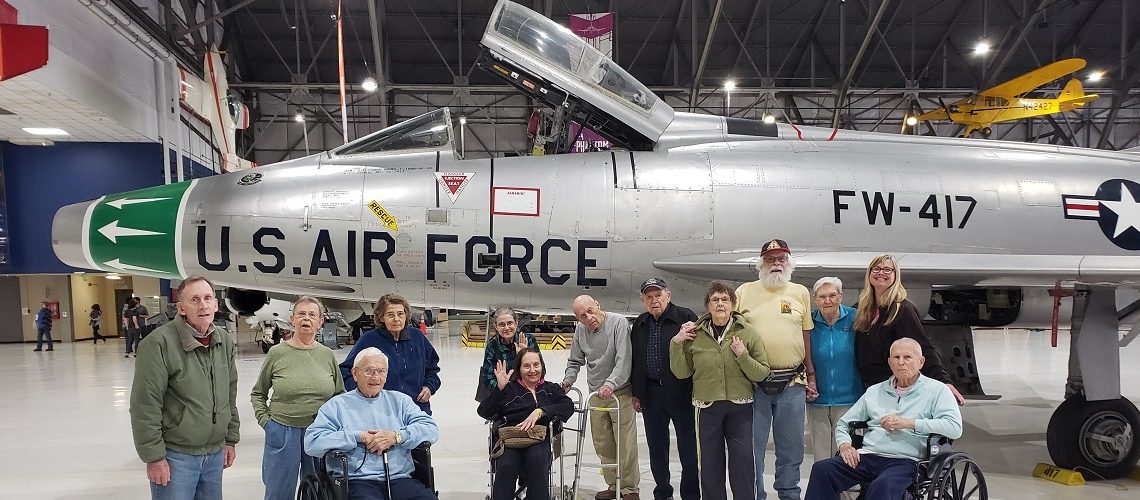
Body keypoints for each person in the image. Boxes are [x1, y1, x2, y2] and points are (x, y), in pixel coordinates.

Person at [804, 338, 963, 500]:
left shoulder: (937, 391)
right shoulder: (875, 391)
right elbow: (844, 423)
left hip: (907, 460)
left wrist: (909, 423)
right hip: (868, 455)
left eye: (907, 357)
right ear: (889, 362)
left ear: (921, 362)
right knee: (822, 470)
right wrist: (845, 446)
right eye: (896, 357)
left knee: (882, 486)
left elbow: (954, 427)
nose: (901, 362)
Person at [129, 277, 239, 499]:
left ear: (216, 304)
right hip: (176, 456)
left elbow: (229, 393)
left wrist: (230, 439)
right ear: (181, 308)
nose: (203, 305)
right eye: (195, 299)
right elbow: (145, 405)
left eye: (208, 298)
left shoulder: (223, 341)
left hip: (214, 453)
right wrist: (154, 457)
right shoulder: (158, 344)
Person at [670, 281, 771, 500]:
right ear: (707, 306)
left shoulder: (748, 333)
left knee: (743, 464)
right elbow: (681, 373)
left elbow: (761, 373)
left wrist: (742, 355)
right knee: (710, 465)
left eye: (725, 299)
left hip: (741, 408)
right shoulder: (694, 334)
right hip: (706, 408)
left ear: (733, 305)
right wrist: (676, 343)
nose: (720, 304)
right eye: (715, 300)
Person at [735, 238, 815, 500]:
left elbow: (806, 337)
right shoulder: (744, 292)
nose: (776, 264)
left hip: (792, 384)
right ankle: (755, 495)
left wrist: (811, 376)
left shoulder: (800, 292)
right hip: (753, 384)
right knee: (752, 448)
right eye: (771, 259)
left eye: (781, 259)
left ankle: (789, 494)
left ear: (789, 263)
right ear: (762, 264)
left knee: (791, 448)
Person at [305, 347, 439, 500]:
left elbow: (430, 428)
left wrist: (396, 436)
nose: (376, 377)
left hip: (399, 478)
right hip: (357, 481)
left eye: (381, 371)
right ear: (355, 374)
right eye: (369, 371)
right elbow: (312, 442)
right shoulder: (336, 406)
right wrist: (358, 436)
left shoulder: (400, 401)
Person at [251, 296, 345, 500]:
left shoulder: (327, 355)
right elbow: (258, 393)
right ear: (292, 319)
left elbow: (339, 394)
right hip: (283, 431)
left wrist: (334, 427)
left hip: (319, 432)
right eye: (301, 313)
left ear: (320, 322)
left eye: (312, 315)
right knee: (278, 491)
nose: (306, 318)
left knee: (318, 491)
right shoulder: (277, 353)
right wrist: (267, 423)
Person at [852, 255, 965, 406]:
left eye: (887, 269)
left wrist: (944, 381)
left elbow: (922, 348)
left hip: (895, 390)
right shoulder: (861, 309)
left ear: (895, 275)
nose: (881, 273)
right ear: (869, 273)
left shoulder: (903, 310)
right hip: (870, 389)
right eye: (877, 269)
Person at [562, 295, 639, 500]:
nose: (588, 317)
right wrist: (568, 380)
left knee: (625, 443)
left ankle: (629, 489)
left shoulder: (619, 323)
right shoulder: (581, 330)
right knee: (602, 442)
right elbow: (575, 359)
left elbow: (624, 360)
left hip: (619, 392)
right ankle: (614, 484)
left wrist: (611, 383)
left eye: (590, 310)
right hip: (596, 393)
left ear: (597, 304)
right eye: (582, 316)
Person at [630, 278, 699, 500]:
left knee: (688, 448)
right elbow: (636, 361)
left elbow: (698, 354)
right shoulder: (640, 324)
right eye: (649, 297)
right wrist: (637, 393)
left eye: (658, 295)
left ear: (668, 295)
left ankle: (690, 494)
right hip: (651, 395)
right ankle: (663, 492)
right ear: (643, 300)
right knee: (657, 448)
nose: (654, 300)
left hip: (681, 393)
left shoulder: (686, 317)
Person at [478, 349, 575, 500]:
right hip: (511, 439)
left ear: (542, 366)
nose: (532, 370)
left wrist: (541, 411)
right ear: (519, 369)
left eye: (536, 365)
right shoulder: (509, 389)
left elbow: (567, 406)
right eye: (526, 366)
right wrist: (500, 389)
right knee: (506, 464)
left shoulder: (550, 389)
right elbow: (484, 411)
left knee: (536, 459)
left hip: (539, 439)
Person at [341, 294, 441, 414]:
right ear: (381, 317)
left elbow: (432, 369)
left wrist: (429, 387)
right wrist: (363, 392)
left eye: (400, 314)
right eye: (390, 315)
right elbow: (346, 370)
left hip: (417, 409)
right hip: (380, 412)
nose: (396, 319)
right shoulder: (369, 340)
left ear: (406, 315)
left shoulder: (417, 337)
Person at [808, 278, 862, 462]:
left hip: (850, 400)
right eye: (822, 297)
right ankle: (825, 491)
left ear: (840, 296)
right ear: (815, 299)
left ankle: (849, 492)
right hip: (818, 402)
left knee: (847, 455)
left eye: (832, 295)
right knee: (822, 457)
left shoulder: (856, 318)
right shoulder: (808, 323)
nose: (827, 301)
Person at [478, 306, 540, 402]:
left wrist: (524, 356)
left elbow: (540, 371)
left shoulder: (529, 340)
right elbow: (488, 378)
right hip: (503, 397)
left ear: (516, 323)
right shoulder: (492, 346)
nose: (506, 328)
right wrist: (503, 386)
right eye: (502, 324)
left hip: (527, 395)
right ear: (496, 326)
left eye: (510, 323)